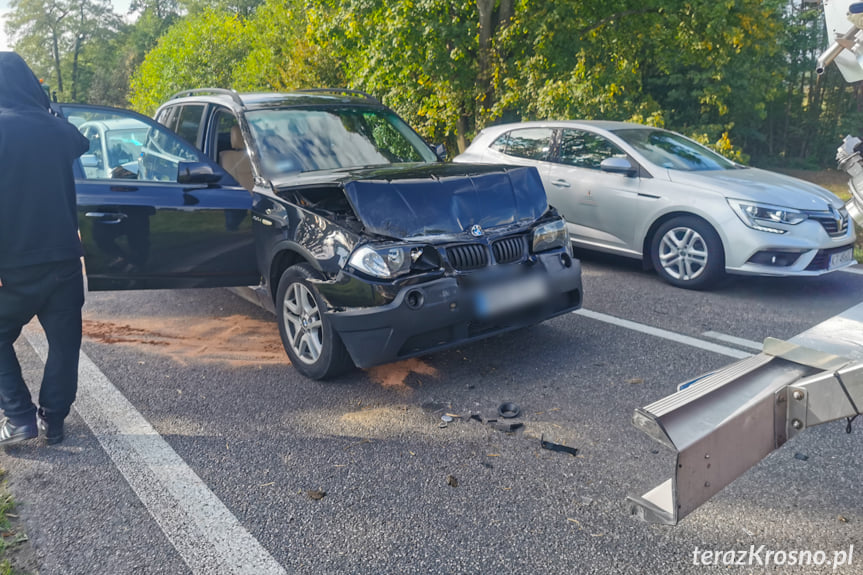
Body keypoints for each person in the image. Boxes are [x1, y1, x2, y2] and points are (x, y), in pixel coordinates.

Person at [0, 52, 89, 446]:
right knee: (65, 343)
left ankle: (18, 416)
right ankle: (54, 420)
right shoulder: (58, 130)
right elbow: (78, 140)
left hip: (14, 264)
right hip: (65, 259)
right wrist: (46, 106)